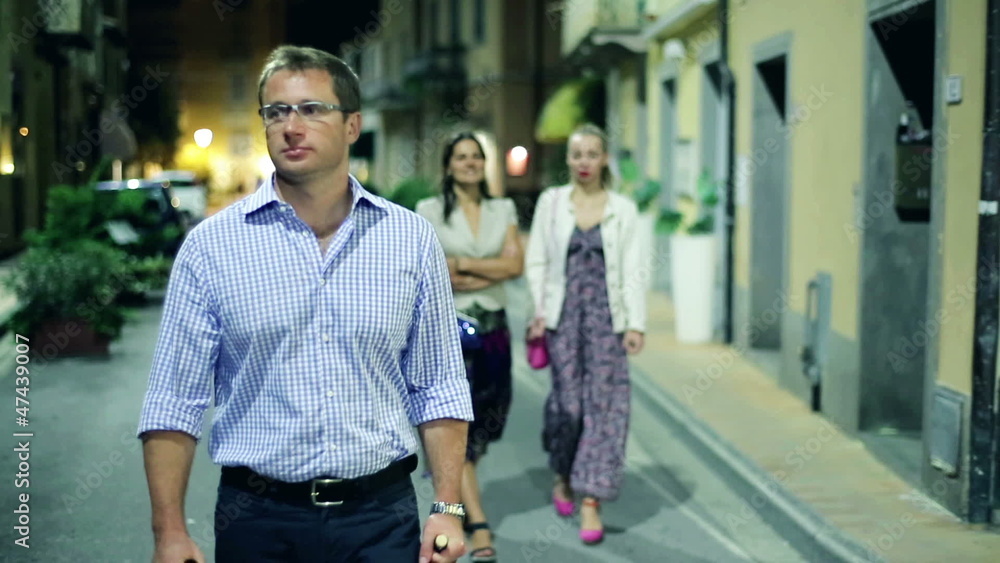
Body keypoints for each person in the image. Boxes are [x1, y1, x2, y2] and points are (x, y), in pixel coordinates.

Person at [137, 45, 472, 563]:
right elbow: (174, 400)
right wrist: (169, 532)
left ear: (352, 125)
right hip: (259, 522)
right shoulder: (211, 248)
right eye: (276, 112)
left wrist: (447, 507)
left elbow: (439, 384)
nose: (291, 127)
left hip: (381, 520)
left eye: (312, 109)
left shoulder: (409, 240)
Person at [524, 123, 646, 545]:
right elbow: (537, 261)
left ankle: (591, 498)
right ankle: (563, 472)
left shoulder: (623, 209)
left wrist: (635, 323)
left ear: (605, 158)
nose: (584, 162)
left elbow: (633, 269)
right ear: (569, 159)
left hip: (607, 323)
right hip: (562, 320)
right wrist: (538, 312)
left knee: (606, 408)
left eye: (592, 154)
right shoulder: (552, 203)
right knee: (569, 406)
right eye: (577, 154)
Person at [416, 132, 524, 563]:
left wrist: (461, 264)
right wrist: (488, 270)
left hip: (495, 331)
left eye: (476, 156)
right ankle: (475, 522)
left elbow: (514, 265)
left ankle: (452, 503)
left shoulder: (503, 209)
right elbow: (432, 270)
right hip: (452, 332)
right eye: (460, 157)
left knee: (487, 424)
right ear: (448, 165)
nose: (469, 163)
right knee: (455, 427)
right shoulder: (428, 210)